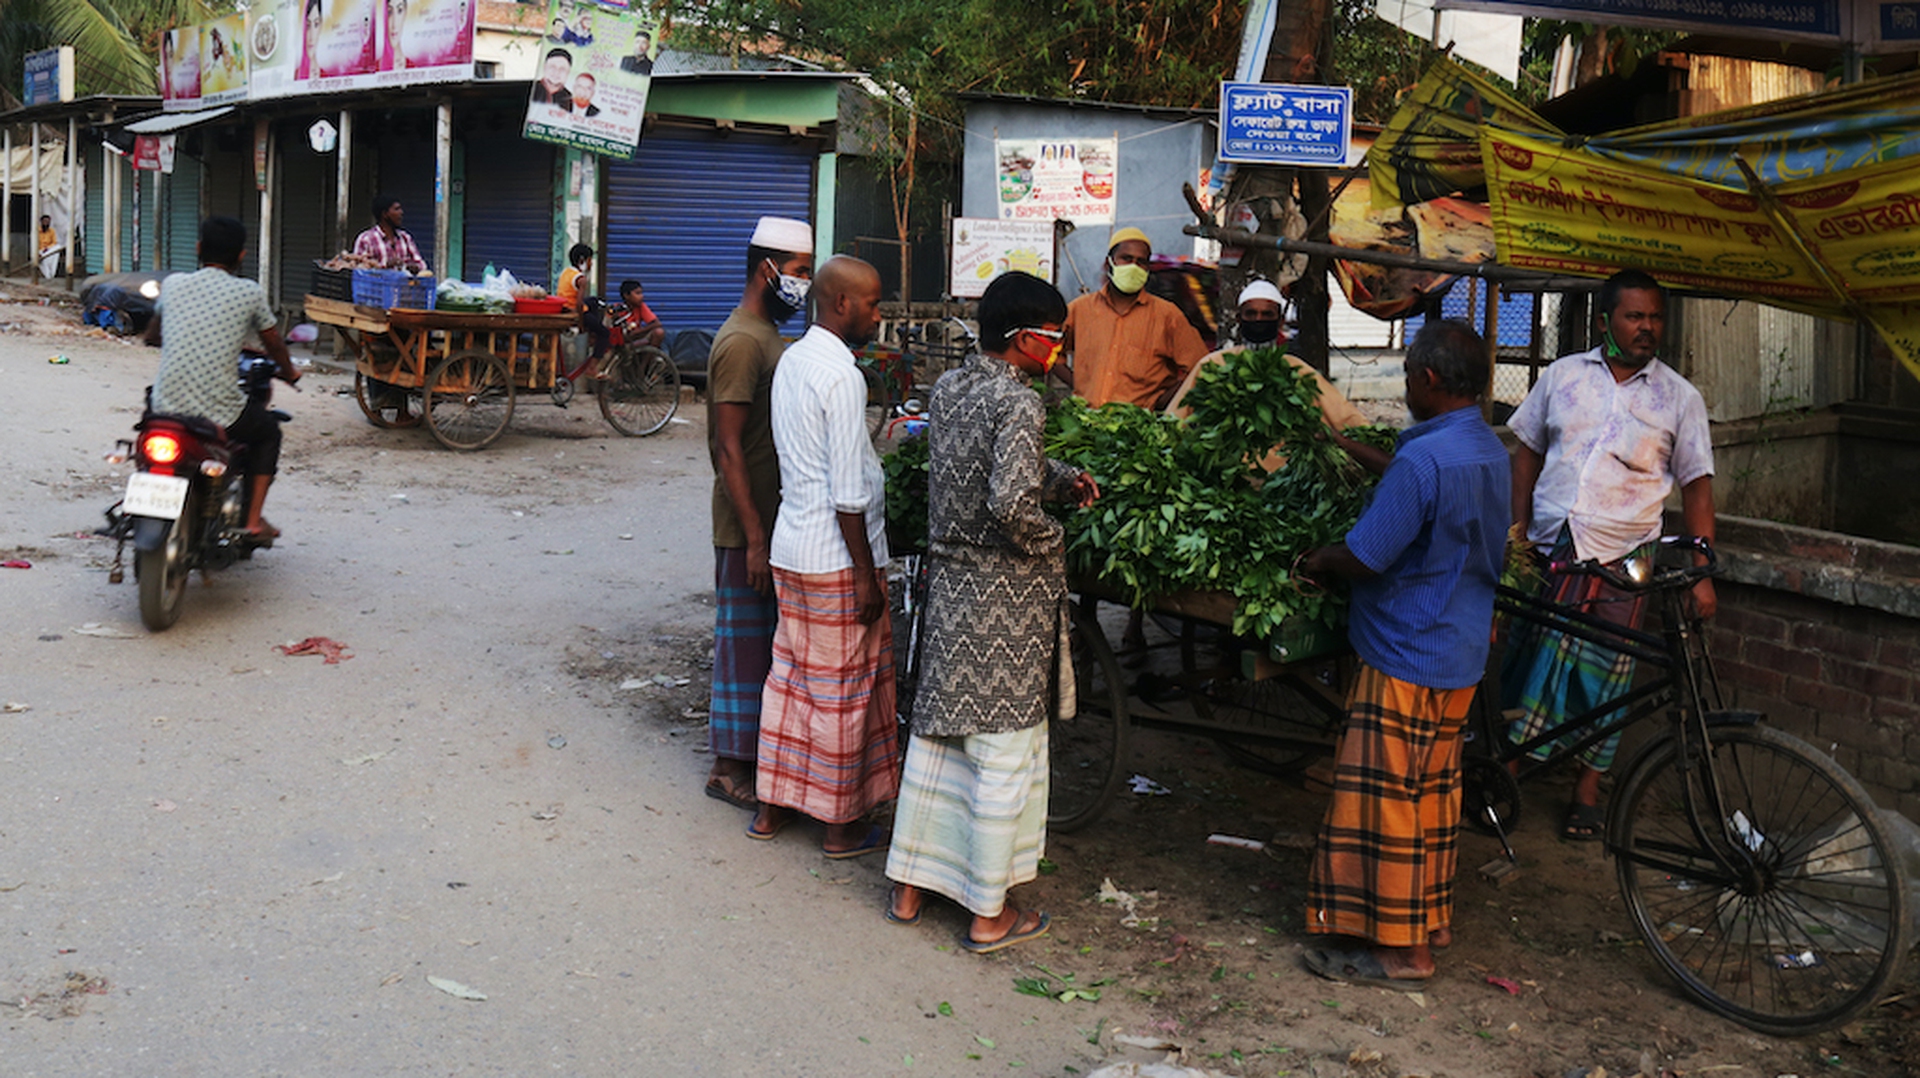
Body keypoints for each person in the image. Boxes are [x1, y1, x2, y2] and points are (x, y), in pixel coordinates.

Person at [884, 272, 1099, 953]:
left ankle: (911, 890)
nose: (1059, 348)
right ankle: (987, 915)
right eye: (1055, 336)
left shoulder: (952, 388)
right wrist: (1052, 535)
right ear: (1026, 338)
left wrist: (1060, 477)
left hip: (950, 593)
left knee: (939, 741)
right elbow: (1009, 503)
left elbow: (981, 462)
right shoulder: (1023, 403)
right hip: (1005, 607)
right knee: (1003, 753)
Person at [1297, 320, 1510, 989]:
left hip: (1404, 652)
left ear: (1427, 379)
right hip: (1459, 650)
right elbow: (1418, 483)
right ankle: (1431, 921)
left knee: (1383, 800)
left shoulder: (1426, 460)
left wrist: (1312, 559)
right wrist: (1341, 444)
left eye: (1409, 374)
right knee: (1432, 794)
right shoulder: (1484, 447)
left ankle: (1400, 952)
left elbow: (1366, 555)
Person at [1502, 270, 1715, 841]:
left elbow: (1697, 487)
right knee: (1529, 664)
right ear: (1605, 321)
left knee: (1606, 681)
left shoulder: (1679, 398)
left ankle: (1586, 791)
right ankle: (1508, 770)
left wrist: (1701, 574)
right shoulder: (1563, 377)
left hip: (1624, 561)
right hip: (1552, 550)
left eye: (1655, 318)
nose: (1647, 328)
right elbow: (1524, 454)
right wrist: (1515, 533)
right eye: (1634, 317)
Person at [751, 255, 898, 858]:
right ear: (842, 305)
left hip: (793, 546)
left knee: (791, 682)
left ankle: (771, 808)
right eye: (874, 304)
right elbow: (847, 493)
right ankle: (840, 826)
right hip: (835, 558)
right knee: (844, 692)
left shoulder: (794, 359)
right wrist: (866, 576)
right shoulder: (842, 376)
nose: (879, 315)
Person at [702, 217, 815, 811]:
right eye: (798, 273)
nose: (803, 284)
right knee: (744, 645)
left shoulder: (768, 333)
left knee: (766, 644)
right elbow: (727, 445)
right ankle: (727, 767)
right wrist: (752, 537)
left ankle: (756, 759)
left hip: (773, 519)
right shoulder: (743, 341)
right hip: (749, 524)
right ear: (767, 270)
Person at [143, 217, 301, 541]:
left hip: (164, 405)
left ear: (199, 249)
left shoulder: (173, 284)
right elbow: (273, 343)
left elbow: (153, 336)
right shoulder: (248, 292)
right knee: (269, 431)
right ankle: (254, 521)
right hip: (221, 411)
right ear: (242, 256)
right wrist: (289, 371)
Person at [1165, 279, 1379, 473]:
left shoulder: (1297, 371)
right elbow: (1174, 420)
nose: (1259, 320)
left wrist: (1374, 445)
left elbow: (1346, 418)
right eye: (1251, 314)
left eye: (1267, 315)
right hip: (1223, 479)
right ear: (1240, 319)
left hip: (1282, 483)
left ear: (1279, 321)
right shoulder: (1213, 366)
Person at [1061, 226, 1207, 410]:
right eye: (1126, 259)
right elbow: (1049, 349)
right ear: (1109, 263)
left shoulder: (1168, 316)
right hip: (1086, 424)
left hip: (1138, 429)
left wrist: (1162, 401)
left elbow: (1200, 367)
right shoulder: (1080, 309)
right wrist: (1079, 385)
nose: (1134, 267)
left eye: (1141, 262)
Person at [351, 194, 428, 275]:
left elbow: (421, 264)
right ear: (385, 214)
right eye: (396, 209)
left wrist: (415, 267)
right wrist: (384, 266)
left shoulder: (405, 238)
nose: (401, 212)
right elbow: (359, 272)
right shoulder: (366, 239)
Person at [557, 243, 609, 360]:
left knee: (594, 301)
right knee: (605, 333)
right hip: (573, 311)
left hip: (564, 307)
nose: (591, 264)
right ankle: (593, 367)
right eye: (590, 260)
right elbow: (579, 304)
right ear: (582, 261)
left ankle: (593, 333)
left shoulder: (567, 272)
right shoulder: (581, 279)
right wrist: (581, 325)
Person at [612, 280, 665, 350]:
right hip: (621, 341)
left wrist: (638, 332)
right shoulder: (616, 309)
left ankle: (647, 360)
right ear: (626, 295)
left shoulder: (641, 307)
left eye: (641, 293)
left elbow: (657, 323)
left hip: (636, 338)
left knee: (659, 332)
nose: (641, 296)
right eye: (637, 293)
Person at [36, 215, 61, 279]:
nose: (46, 223)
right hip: (40, 251)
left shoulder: (52, 231)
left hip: (48, 250)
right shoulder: (37, 231)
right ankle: (48, 276)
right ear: (41, 222)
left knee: (58, 247)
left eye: (47, 222)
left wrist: (47, 248)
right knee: (44, 260)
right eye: (44, 221)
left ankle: (52, 273)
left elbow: (54, 242)